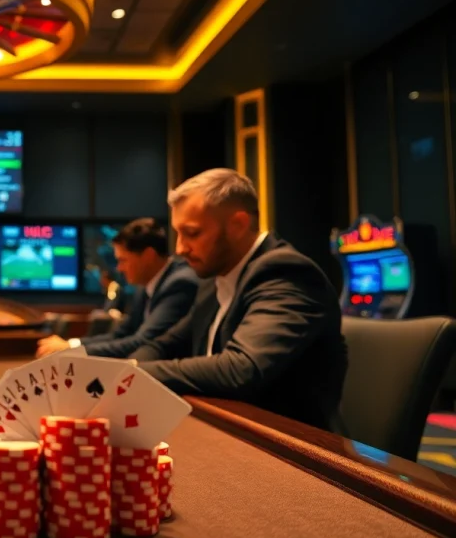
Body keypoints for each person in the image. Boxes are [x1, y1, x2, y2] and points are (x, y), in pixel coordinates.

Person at [129, 168, 348, 431]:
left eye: (193, 233)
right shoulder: (214, 278)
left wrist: (135, 373)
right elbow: (167, 343)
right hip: (227, 427)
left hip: (292, 448)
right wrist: (133, 366)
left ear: (238, 225)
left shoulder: (285, 272)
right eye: (178, 233)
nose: (180, 248)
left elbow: (242, 368)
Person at [36, 218, 199, 358]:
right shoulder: (145, 286)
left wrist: (71, 349)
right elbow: (121, 334)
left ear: (148, 256)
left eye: (123, 260)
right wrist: (72, 344)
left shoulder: (180, 283)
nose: (119, 268)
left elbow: (143, 341)